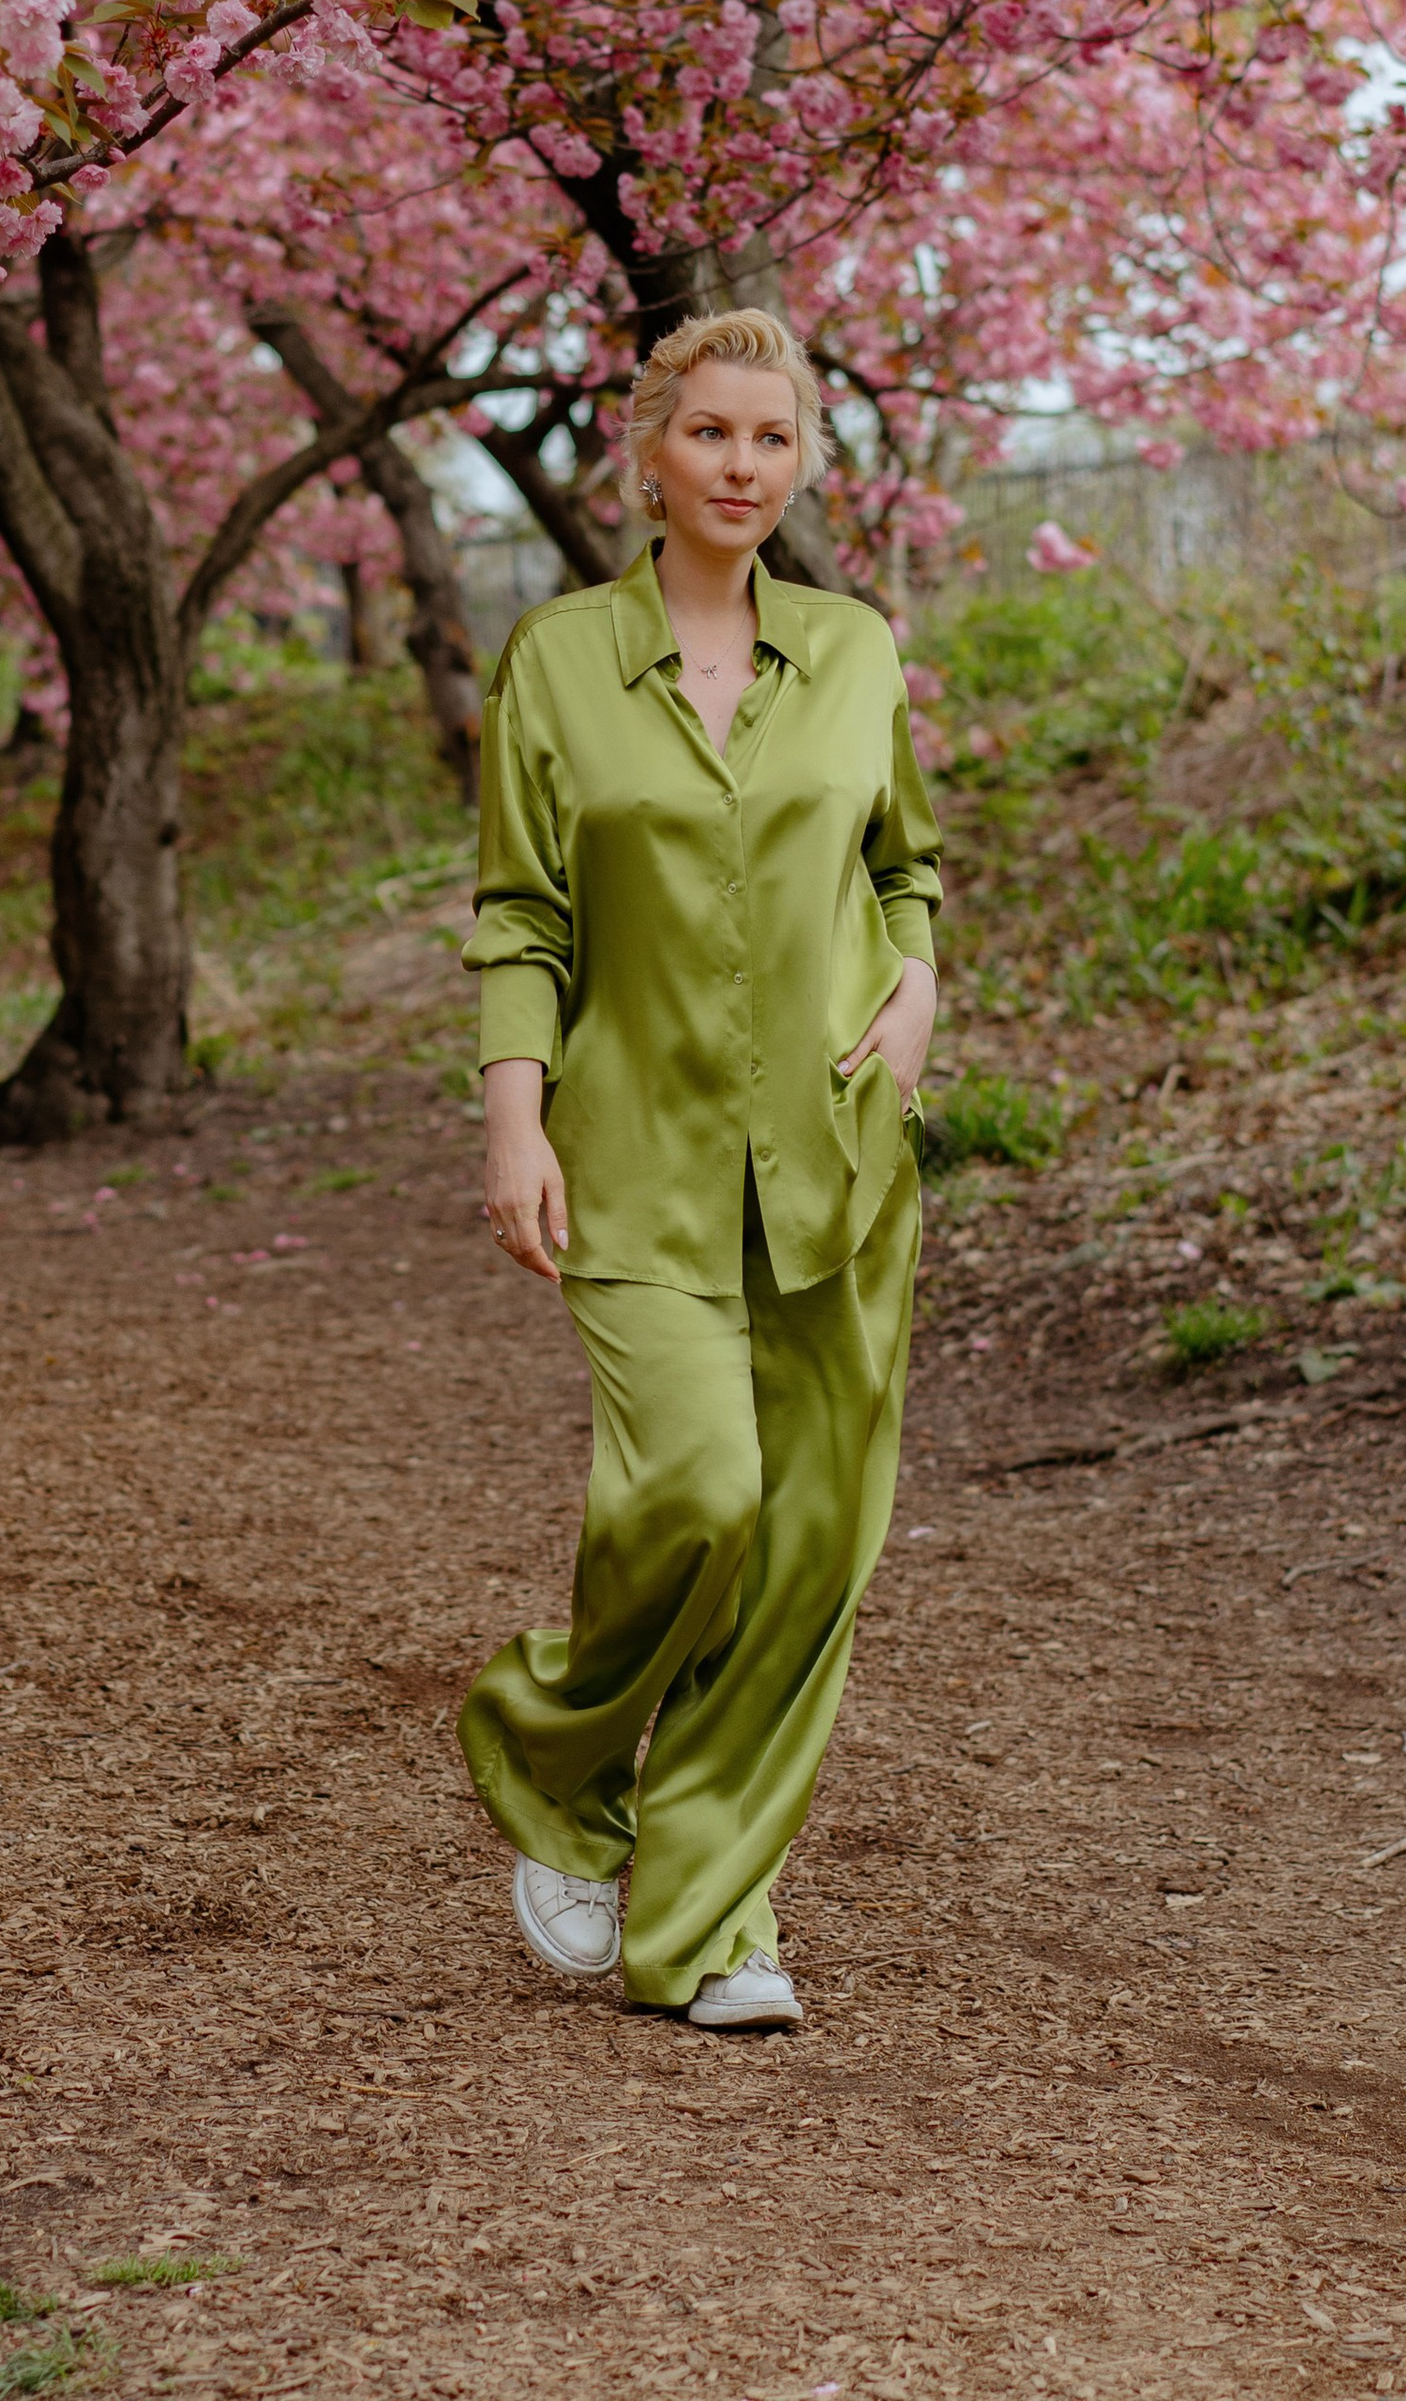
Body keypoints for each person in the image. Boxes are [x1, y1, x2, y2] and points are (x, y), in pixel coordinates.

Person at [458, 306, 940, 2031]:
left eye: (774, 436)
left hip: (836, 1162)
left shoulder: (855, 652)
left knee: (807, 1547)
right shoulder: (557, 662)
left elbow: (904, 868)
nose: (745, 466)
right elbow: (522, 914)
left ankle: (712, 1925)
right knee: (701, 1496)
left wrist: (916, 997)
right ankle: (552, 1749)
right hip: (635, 1161)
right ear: (648, 454)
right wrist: (513, 1116)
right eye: (712, 432)